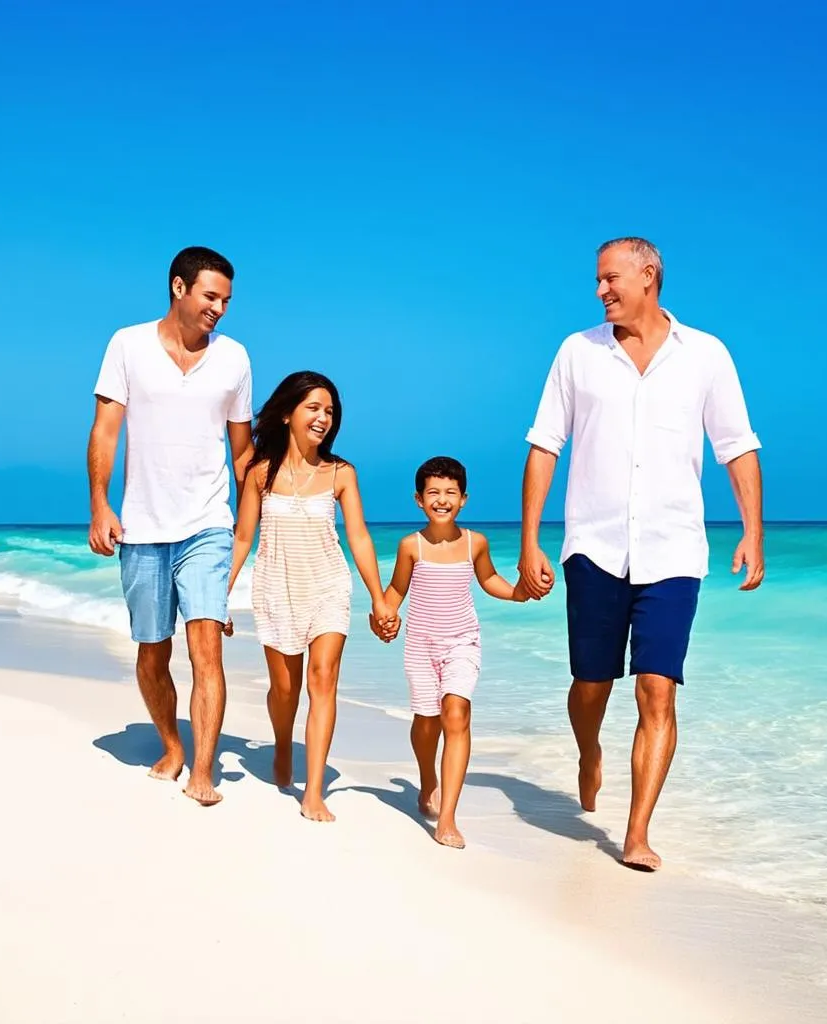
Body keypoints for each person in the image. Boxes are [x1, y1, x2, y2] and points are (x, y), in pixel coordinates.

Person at [519, 236, 764, 871]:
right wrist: (529, 541)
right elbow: (545, 444)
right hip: (594, 546)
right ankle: (590, 751)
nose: (600, 290)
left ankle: (636, 833)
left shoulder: (705, 355)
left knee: (658, 689)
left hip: (675, 550)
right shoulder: (579, 352)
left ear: (648, 275)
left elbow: (737, 445)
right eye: (598, 281)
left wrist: (752, 531)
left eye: (610, 279)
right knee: (591, 686)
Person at [87, 246, 253, 806]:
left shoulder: (234, 359)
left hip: (209, 522)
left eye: (227, 300)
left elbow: (243, 453)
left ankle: (202, 771)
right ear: (178, 288)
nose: (219, 309)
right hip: (142, 526)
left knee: (207, 648)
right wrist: (100, 504)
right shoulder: (127, 345)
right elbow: (107, 428)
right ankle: (171, 744)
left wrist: (261, 519)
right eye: (211, 296)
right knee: (152, 653)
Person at [227, 371, 395, 823]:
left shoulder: (341, 474)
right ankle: (283, 743)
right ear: (287, 414)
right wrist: (219, 596)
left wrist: (379, 597)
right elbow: (243, 538)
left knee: (323, 681)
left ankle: (314, 791)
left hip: (327, 584)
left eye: (330, 411)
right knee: (285, 689)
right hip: (276, 584)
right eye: (314, 408)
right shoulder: (259, 473)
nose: (323, 418)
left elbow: (358, 537)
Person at [373, 456, 528, 849]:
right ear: (419, 500)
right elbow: (395, 592)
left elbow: (489, 578)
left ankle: (448, 819)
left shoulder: (476, 543)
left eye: (450, 493)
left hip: (463, 643)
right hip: (421, 647)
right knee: (427, 721)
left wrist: (518, 592)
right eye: (433, 493)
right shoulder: (412, 546)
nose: (442, 499)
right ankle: (428, 780)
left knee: (455, 712)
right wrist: (382, 615)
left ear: (463, 500)